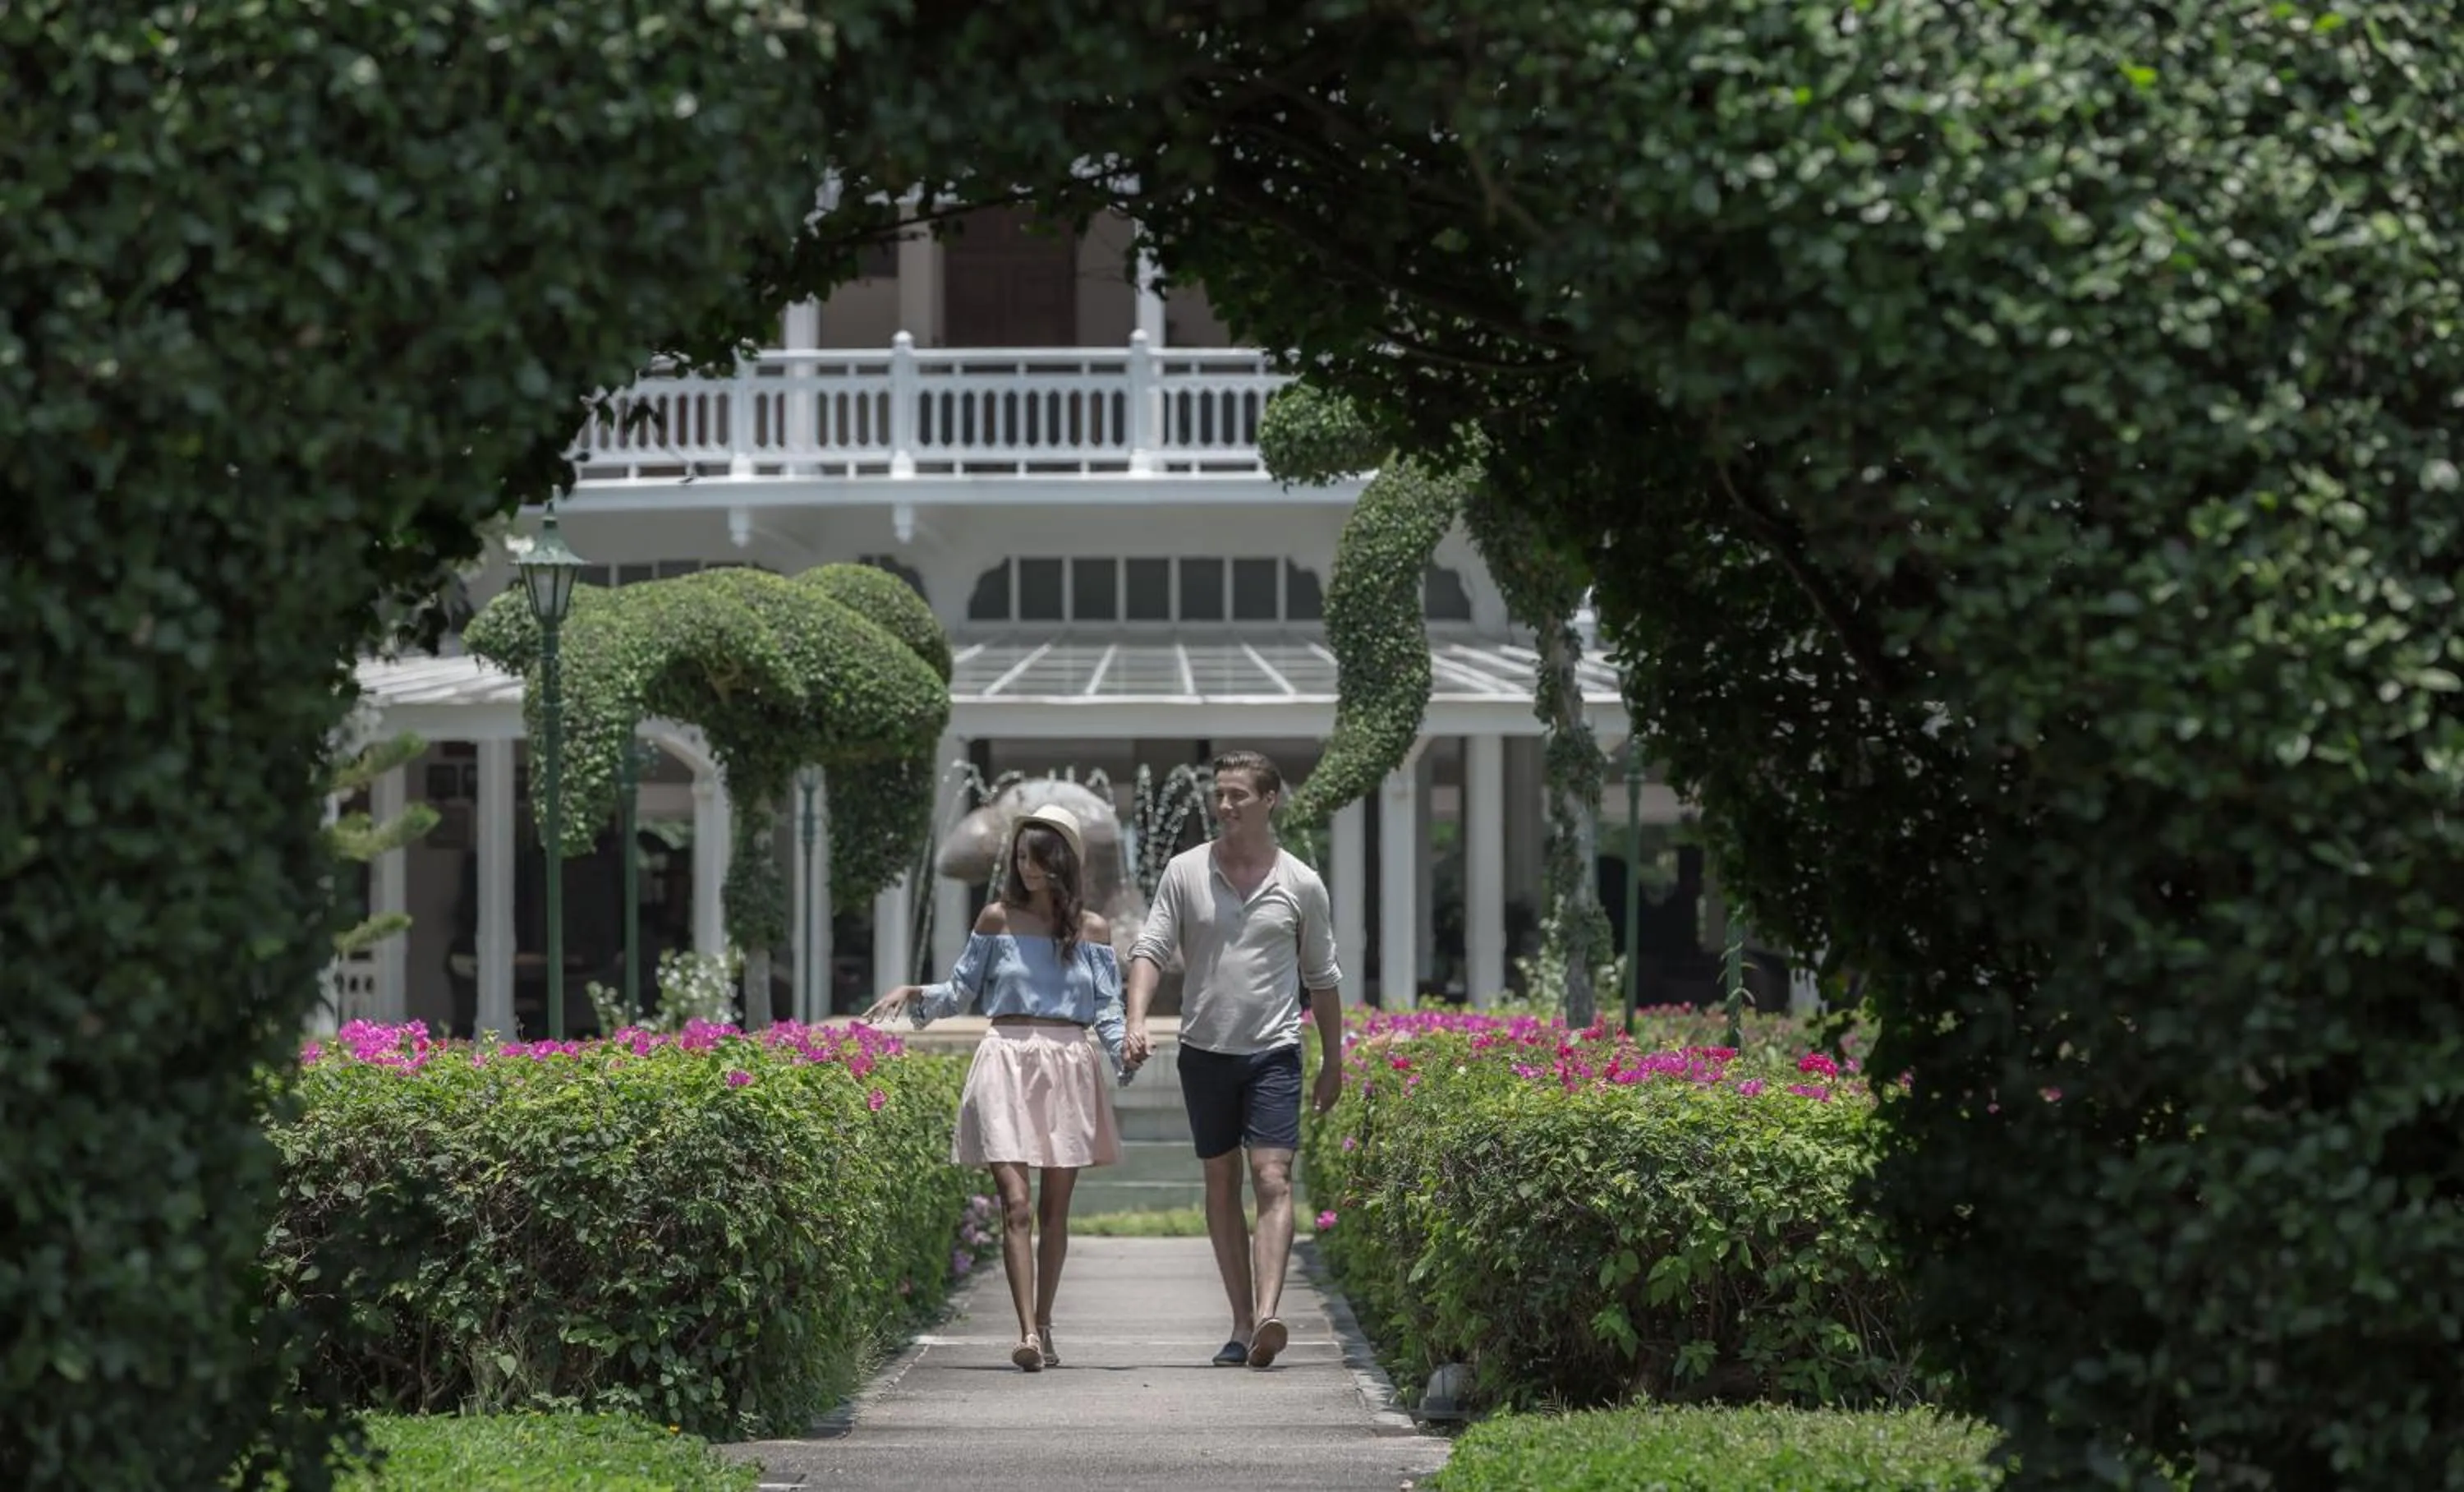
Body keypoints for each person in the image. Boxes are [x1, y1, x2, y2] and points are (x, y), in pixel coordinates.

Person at [864, 804, 1126, 1373]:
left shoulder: (1095, 931)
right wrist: (915, 992)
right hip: (1005, 1059)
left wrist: (1126, 1051)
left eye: (1038, 859)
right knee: (1016, 1203)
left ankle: (1047, 1322)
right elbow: (961, 991)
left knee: (1057, 1211)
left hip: (1068, 1064)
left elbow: (1108, 1011)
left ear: (1061, 861)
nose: (1027, 869)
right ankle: (1027, 1333)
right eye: (1020, 859)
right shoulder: (994, 920)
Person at [1122, 749, 1343, 1370]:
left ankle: (1270, 1312)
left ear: (1269, 800)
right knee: (1221, 1182)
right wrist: (1136, 1018)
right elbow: (1150, 948)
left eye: (1237, 795)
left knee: (1272, 1178)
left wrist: (1333, 1060)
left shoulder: (1300, 882)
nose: (1224, 805)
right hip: (1204, 1052)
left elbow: (1322, 978)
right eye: (1219, 794)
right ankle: (1242, 1323)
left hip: (1274, 1051)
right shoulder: (1185, 872)